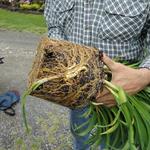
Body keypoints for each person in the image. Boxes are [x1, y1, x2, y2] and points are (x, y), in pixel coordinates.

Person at [44, 0, 150, 149]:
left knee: (116, 144)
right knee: (82, 139)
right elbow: (55, 26)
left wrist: (144, 75)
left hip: (122, 96)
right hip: (78, 93)